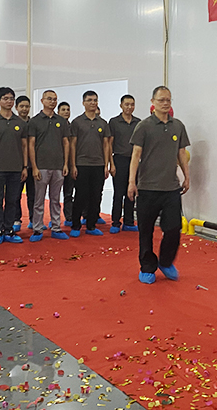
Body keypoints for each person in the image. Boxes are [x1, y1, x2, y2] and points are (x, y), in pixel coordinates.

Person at [127, 86, 190, 284]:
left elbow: (181, 153)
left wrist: (187, 176)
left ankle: (165, 261)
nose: (165, 103)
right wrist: (131, 182)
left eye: (168, 100)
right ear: (152, 102)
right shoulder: (144, 126)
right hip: (147, 188)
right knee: (145, 231)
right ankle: (147, 267)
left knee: (173, 228)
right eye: (161, 100)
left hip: (171, 188)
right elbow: (136, 155)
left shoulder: (177, 126)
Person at [0, 87, 28, 245]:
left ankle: (9, 230)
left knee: (12, 200)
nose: (9, 101)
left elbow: (24, 146)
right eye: (5, 98)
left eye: (11, 98)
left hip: (16, 168)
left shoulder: (20, 122)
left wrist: (25, 167)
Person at [27, 90, 71, 242]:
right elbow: (31, 145)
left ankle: (56, 227)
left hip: (58, 166)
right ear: (42, 100)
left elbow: (66, 143)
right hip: (41, 166)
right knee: (39, 200)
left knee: (55, 199)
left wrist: (65, 163)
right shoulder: (35, 121)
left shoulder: (61, 121)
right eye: (49, 99)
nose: (52, 102)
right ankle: (37, 228)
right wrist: (34, 167)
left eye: (55, 99)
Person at [69, 91, 111, 237]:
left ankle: (91, 225)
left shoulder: (103, 123)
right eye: (89, 100)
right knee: (80, 195)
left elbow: (106, 145)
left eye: (95, 100)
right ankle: (75, 225)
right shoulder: (77, 122)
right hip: (81, 164)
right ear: (83, 103)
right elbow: (72, 145)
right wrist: (73, 165)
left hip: (98, 165)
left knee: (96, 196)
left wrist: (106, 165)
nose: (93, 103)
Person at [108, 94, 140, 234]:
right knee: (118, 193)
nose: (129, 107)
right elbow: (109, 144)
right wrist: (111, 164)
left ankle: (129, 221)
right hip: (119, 159)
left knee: (131, 192)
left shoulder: (138, 123)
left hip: (134, 161)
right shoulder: (114, 122)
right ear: (121, 105)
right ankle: (115, 222)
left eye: (132, 104)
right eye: (127, 104)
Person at [13, 95, 35, 232]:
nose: (24, 109)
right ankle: (16, 219)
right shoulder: (13, 123)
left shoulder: (34, 123)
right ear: (16, 107)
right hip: (16, 165)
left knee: (33, 194)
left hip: (33, 165)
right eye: (22, 106)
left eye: (27, 106)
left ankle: (33, 219)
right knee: (15, 195)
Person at [58, 101, 75, 227]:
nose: (66, 112)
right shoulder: (55, 126)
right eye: (63, 110)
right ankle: (54, 219)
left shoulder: (73, 126)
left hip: (70, 163)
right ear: (58, 112)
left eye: (68, 109)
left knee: (69, 192)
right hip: (57, 163)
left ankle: (69, 217)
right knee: (54, 194)